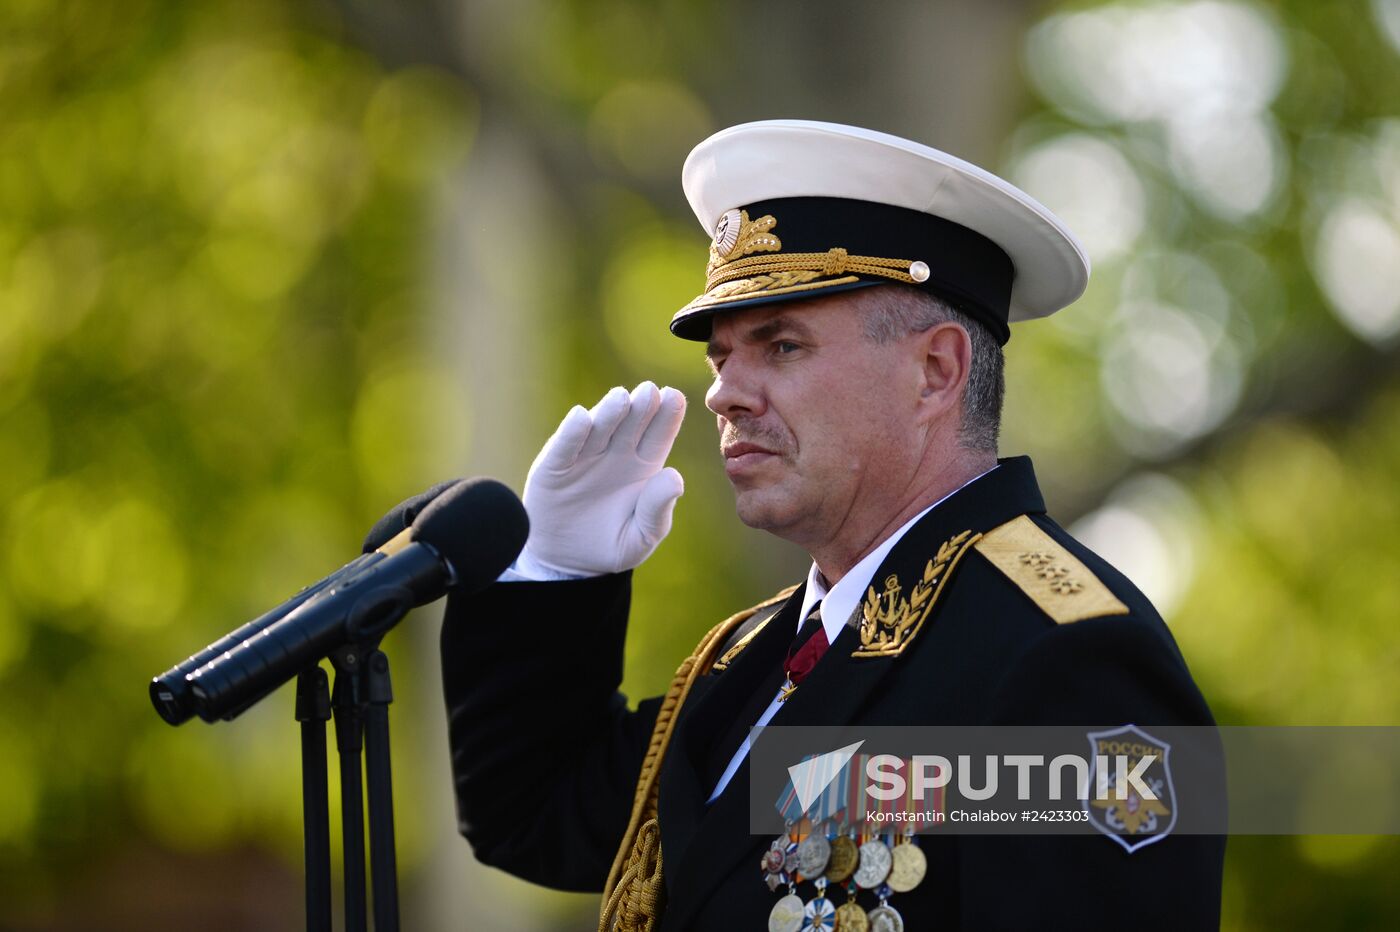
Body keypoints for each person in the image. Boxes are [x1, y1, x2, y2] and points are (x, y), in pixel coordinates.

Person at [439, 120, 1224, 930]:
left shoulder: (1069, 660)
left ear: (935, 371)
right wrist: (554, 576)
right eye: (721, 356)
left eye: (780, 346)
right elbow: (534, 815)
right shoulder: (750, 663)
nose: (725, 394)